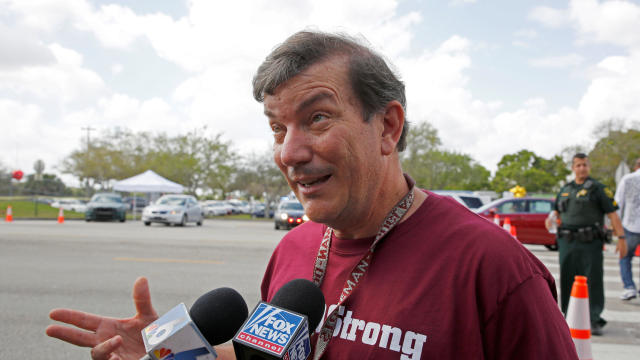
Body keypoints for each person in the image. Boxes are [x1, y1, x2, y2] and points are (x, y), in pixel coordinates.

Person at [47, 31, 578, 359]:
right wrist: (175, 353)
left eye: (317, 118)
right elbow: (265, 355)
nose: (289, 153)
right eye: (278, 129)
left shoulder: (495, 269)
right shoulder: (293, 251)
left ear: (388, 126)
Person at [546, 153, 627, 336]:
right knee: (567, 278)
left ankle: (594, 318)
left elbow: (613, 214)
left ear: (589, 166)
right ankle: (567, 315)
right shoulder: (565, 189)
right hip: (567, 242)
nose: (582, 168)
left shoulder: (598, 188)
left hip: (590, 242)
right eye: (578, 165)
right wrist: (551, 219)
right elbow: (556, 212)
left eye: (585, 165)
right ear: (573, 168)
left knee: (592, 279)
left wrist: (621, 238)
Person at [614, 158, 640, 301]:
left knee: (625, 257)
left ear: (636, 166)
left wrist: (617, 228)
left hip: (631, 225)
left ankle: (629, 287)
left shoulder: (628, 179)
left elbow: (618, 204)